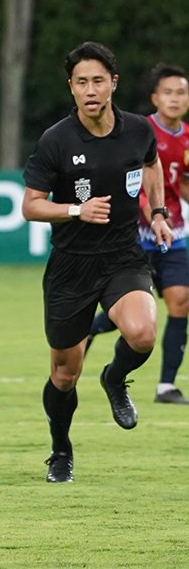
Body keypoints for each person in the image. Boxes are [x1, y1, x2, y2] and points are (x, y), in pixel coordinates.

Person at [22, 41, 171, 484]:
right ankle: (61, 451)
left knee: (143, 334)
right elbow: (31, 206)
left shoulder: (140, 130)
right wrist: (74, 210)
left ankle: (115, 378)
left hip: (123, 257)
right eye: (81, 82)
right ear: (71, 88)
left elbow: (152, 166)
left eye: (98, 80)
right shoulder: (57, 140)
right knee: (64, 375)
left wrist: (158, 213)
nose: (90, 89)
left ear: (113, 84)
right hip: (71, 266)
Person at [87, 64, 189, 403]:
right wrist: (150, 211)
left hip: (174, 234)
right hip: (135, 235)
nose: (175, 99)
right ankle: (90, 329)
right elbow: (133, 180)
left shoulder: (186, 137)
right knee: (131, 314)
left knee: (180, 301)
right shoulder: (139, 131)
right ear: (155, 98)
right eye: (168, 92)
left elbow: (181, 181)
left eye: (181, 92)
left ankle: (166, 386)